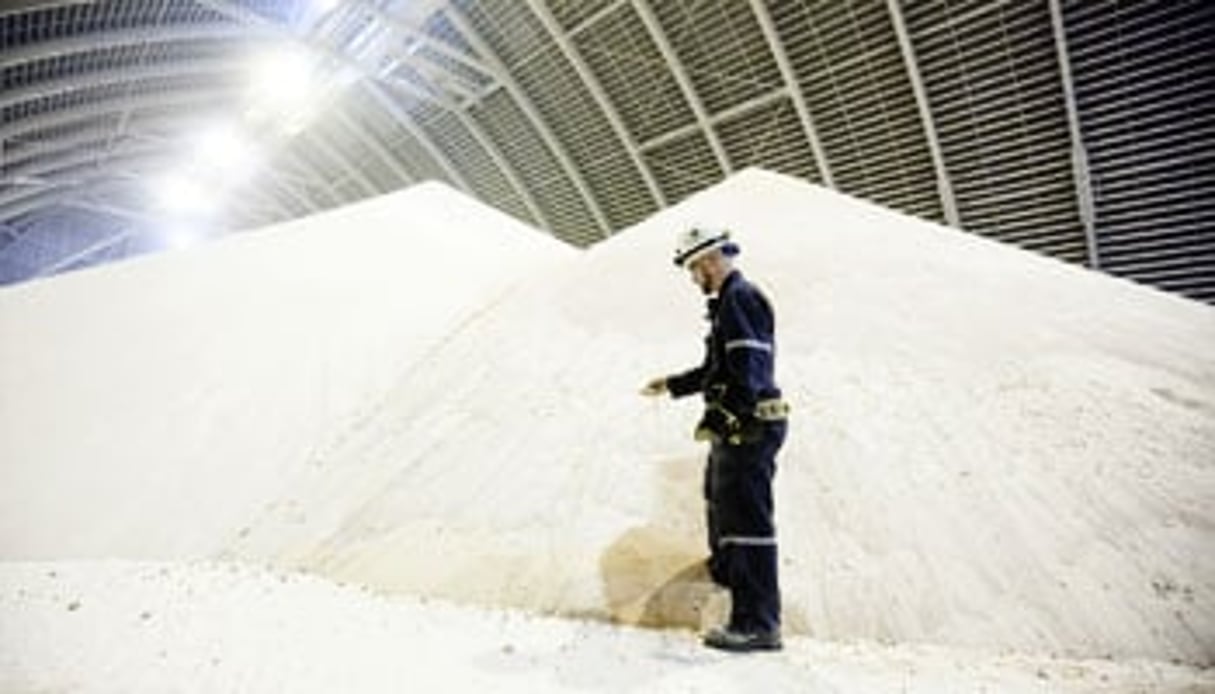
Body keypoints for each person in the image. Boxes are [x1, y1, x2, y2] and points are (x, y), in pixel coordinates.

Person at [641, 226, 789, 652]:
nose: (693, 278)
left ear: (708, 262)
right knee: (721, 504)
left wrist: (732, 416)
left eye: (693, 269)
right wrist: (672, 385)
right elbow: (716, 369)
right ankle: (729, 572)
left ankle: (759, 624)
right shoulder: (726, 303)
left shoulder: (741, 298)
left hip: (751, 425)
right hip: (739, 424)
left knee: (748, 524)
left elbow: (750, 370)